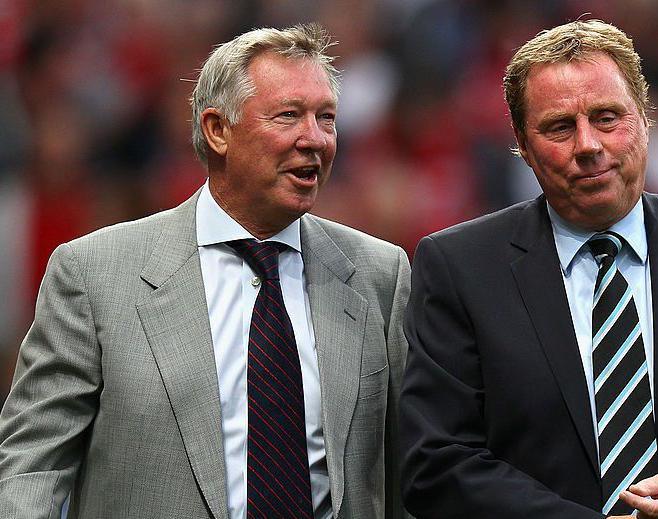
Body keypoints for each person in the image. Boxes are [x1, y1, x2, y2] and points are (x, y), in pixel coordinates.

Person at [399, 19, 658, 519]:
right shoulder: (459, 267)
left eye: (607, 118)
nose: (588, 145)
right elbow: (438, 461)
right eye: (559, 126)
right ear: (523, 145)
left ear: (645, 118)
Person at [0, 24, 410, 519]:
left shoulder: (380, 274)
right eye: (288, 116)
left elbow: (402, 477)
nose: (315, 140)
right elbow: (31, 469)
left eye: (326, 118)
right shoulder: (93, 275)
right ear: (217, 130)